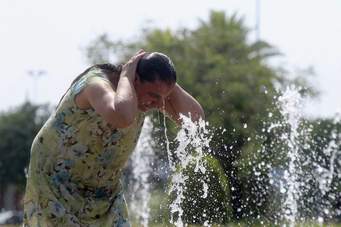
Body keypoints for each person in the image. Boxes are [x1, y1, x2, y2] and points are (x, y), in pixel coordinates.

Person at [23, 50, 204, 227]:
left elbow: (195, 118)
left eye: (163, 97)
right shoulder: (95, 85)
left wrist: (166, 81)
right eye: (153, 96)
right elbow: (122, 116)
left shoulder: (143, 94)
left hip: (103, 189)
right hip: (55, 181)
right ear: (135, 80)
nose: (158, 104)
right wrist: (126, 74)